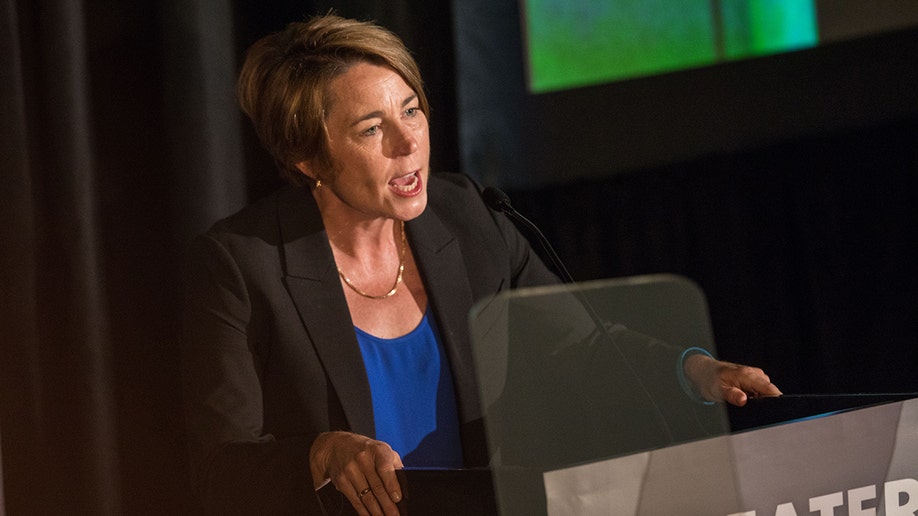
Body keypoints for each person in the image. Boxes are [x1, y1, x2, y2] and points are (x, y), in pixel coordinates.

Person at [181, 13, 781, 516]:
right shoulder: (241, 267)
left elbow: (580, 344)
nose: (407, 141)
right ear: (307, 156)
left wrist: (694, 371)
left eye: (411, 111)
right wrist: (318, 455)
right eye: (372, 128)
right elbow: (220, 468)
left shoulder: (465, 215)